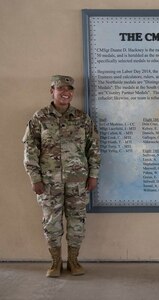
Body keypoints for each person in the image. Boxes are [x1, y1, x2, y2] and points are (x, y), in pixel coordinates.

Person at [23, 75, 100, 278]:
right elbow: (30, 150)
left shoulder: (82, 119)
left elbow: (93, 148)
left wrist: (93, 175)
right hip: (48, 183)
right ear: (52, 91)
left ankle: (73, 261)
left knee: (77, 222)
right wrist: (35, 178)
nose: (66, 93)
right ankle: (55, 262)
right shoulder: (40, 118)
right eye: (60, 89)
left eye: (69, 89)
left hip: (78, 182)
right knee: (51, 223)